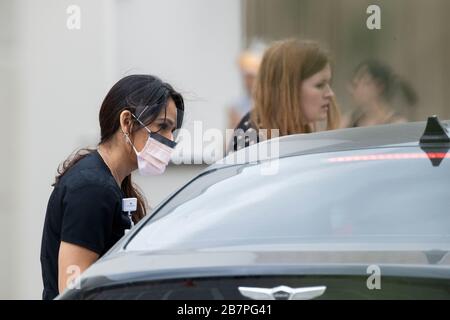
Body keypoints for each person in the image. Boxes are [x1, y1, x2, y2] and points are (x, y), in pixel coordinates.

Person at [40, 74, 184, 300]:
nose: (170, 139)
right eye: (162, 126)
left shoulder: (109, 182)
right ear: (127, 122)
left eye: (172, 130)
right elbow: (73, 290)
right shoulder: (91, 188)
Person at [229, 39, 341, 152]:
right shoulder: (252, 138)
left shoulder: (296, 130)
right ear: (289, 88)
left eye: (329, 84)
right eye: (319, 85)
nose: (330, 94)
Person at [343, 59, 418, 128]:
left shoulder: (397, 124)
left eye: (358, 85)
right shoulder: (350, 121)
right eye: (354, 84)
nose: (351, 90)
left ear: (379, 87)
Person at [227, 42, 264, 129]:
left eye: (252, 77)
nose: (248, 81)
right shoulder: (236, 106)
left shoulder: (271, 104)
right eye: (246, 77)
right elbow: (230, 139)